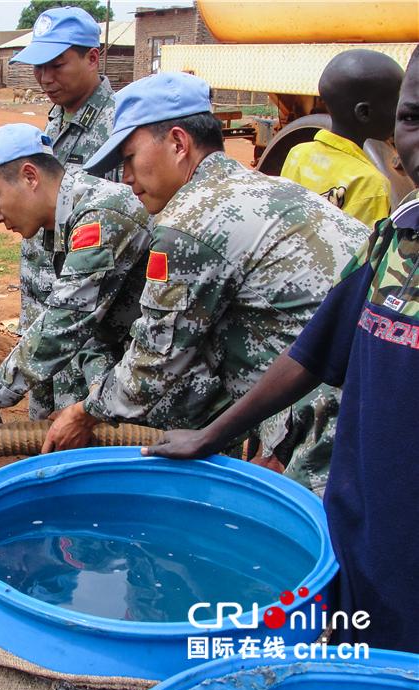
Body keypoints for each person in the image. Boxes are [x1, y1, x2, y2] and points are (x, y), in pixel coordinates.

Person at [144, 48, 419, 653]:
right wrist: (212, 436)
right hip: (354, 531)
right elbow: (314, 350)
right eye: (413, 119)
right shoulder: (396, 238)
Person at [41, 73, 370, 490]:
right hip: (376, 386)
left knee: (326, 544)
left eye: (128, 157)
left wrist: (85, 412)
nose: (124, 177)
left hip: (343, 416)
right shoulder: (269, 187)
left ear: (178, 143)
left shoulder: (190, 222)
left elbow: (154, 362)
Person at [0, 124, 150, 470]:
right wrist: (91, 404)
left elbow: (61, 328)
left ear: (29, 176)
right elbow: (92, 331)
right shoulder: (63, 223)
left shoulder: (101, 216)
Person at [7, 7, 116, 419]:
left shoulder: (117, 128)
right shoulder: (56, 118)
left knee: (73, 434)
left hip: (83, 316)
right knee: (40, 423)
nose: (45, 78)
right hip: (42, 303)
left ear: (93, 57)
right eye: (38, 67)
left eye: (56, 65)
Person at [281, 49, 404, 226]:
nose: (400, 112)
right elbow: (361, 251)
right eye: (396, 103)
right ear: (364, 112)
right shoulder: (371, 183)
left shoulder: (298, 153)